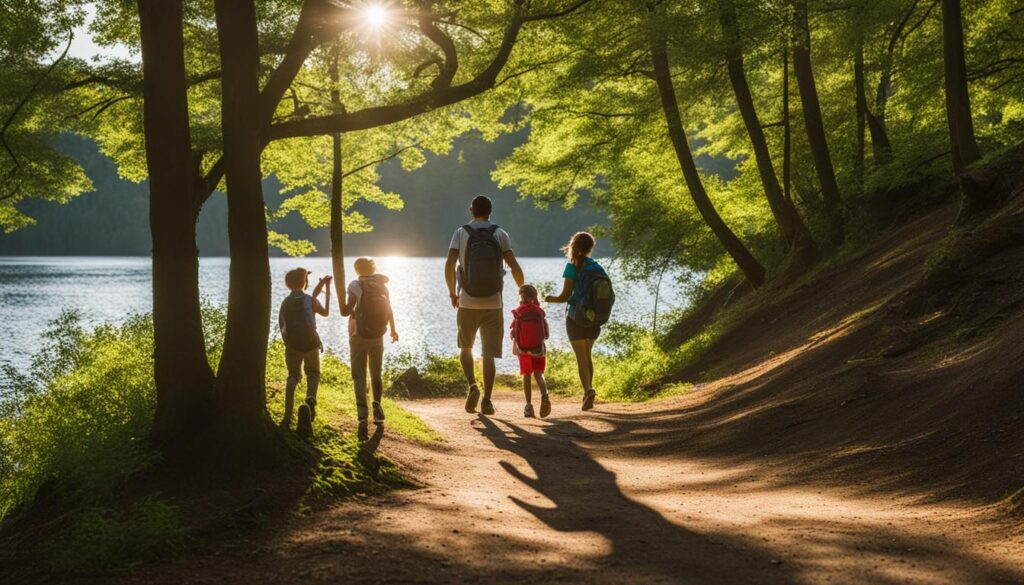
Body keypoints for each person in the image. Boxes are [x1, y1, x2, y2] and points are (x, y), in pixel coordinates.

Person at [445, 195, 525, 415]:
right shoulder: (500, 234)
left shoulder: (461, 233)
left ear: (471, 210)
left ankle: (472, 385)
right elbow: (514, 266)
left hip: (467, 301)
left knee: (466, 347)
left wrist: (453, 293)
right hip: (493, 302)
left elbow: (450, 264)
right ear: (491, 211)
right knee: (489, 354)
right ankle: (487, 401)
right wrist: (523, 293)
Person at [545, 232, 608, 411]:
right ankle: (589, 391)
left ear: (573, 246)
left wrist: (548, 298)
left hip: (576, 318)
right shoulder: (597, 267)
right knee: (588, 356)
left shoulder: (572, 267)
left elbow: (565, 296)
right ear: (590, 249)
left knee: (581, 359)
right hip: (594, 318)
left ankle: (588, 390)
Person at [340, 257, 399, 441]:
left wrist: (344, 302)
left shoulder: (355, 285)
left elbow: (345, 311)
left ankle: (362, 415)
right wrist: (393, 330)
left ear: (357, 269)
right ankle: (377, 405)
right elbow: (389, 309)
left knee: (358, 375)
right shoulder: (382, 285)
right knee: (376, 373)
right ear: (373, 269)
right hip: (378, 335)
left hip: (359, 336)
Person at [279, 267, 331, 437]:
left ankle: (287, 416)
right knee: (313, 374)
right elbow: (325, 312)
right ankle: (310, 404)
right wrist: (328, 290)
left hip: (292, 345)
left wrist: (289, 344)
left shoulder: (285, 302)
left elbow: (282, 327)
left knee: (293, 375)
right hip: (311, 343)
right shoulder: (310, 300)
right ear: (304, 283)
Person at [511, 284, 551, 418]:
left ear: (521, 297)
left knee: (526, 376)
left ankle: (528, 406)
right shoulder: (539, 312)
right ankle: (545, 397)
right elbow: (546, 334)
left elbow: (514, 332)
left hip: (523, 349)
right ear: (535, 297)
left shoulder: (518, 311)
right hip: (538, 348)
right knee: (539, 374)